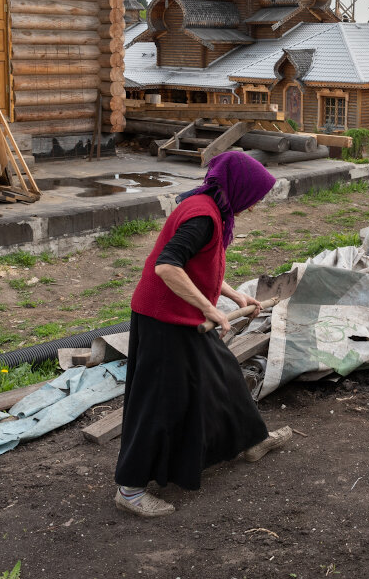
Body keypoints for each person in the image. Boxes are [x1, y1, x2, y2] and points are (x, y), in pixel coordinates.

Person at [113, 151, 293, 517]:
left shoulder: (209, 205)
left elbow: (198, 264)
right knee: (159, 401)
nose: (255, 206)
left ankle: (252, 441)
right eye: (254, 197)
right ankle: (129, 490)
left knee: (224, 374)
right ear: (239, 188)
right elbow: (167, 266)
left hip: (183, 314)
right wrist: (211, 309)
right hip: (163, 319)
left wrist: (231, 294)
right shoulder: (202, 217)